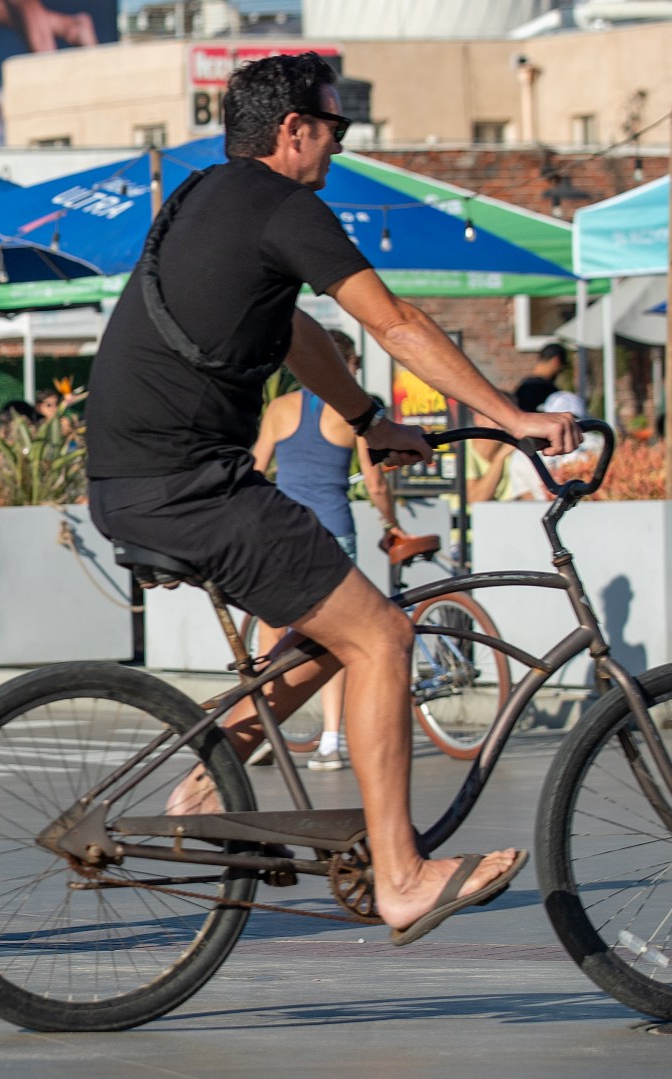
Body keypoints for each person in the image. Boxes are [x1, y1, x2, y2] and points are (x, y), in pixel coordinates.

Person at [85, 52, 578, 945]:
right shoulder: (284, 207)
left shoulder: (204, 196)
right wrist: (511, 415)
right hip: (189, 484)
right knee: (383, 635)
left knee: (328, 631)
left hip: (139, 480)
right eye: (334, 131)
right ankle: (400, 876)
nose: (337, 149)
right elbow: (392, 321)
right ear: (293, 131)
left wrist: (363, 415)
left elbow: (298, 329)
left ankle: (205, 777)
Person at [250, 329, 402, 771]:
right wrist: (392, 523)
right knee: (333, 640)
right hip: (333, 530)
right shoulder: (355, 411)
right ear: (347, 366)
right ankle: (331, 742)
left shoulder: (279, 409)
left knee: (271, 633)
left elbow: (256, 468)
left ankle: (261, 733)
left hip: (283, 532)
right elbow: (374, 481)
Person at [514, 342, 569, 412]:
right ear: (556, 361)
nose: (561, 371)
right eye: (562, 366)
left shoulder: (524, 386)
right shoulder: (547, 390)